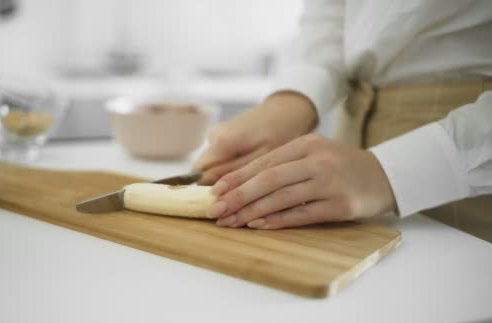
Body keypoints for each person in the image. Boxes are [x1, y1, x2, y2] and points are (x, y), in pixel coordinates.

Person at [194, 0, 492, 242]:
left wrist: (387, 173)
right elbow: (333, 11)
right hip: (349, 143)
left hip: (470, 167)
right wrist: (292, 101)